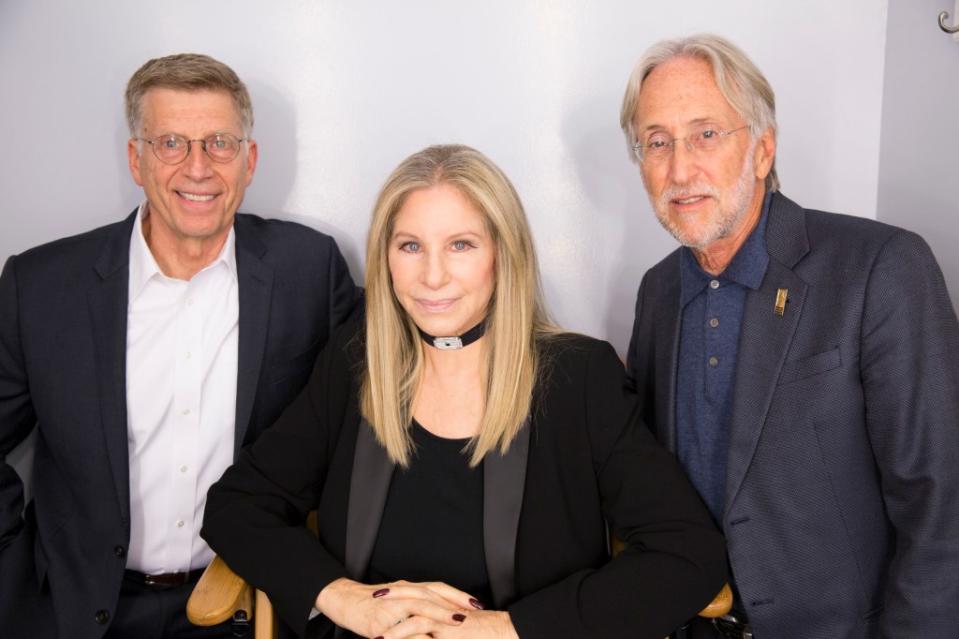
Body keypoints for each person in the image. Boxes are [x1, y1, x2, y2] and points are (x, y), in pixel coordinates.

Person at [201, 144, 727, 639]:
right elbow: (238, 505)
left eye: (461, 245)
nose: (432, 276)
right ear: (385, 259)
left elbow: (689, 554)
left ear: (504, 254)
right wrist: (342, 598)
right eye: (410, 246)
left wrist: (506, 629)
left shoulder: (579, 378)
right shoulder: (355, 364)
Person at [0, 53, 359, 639]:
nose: (198, 168)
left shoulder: (308, 270)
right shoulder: (41, 288)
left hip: (246, 605)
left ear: (250, 161)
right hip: (79, 611)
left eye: (220, 143)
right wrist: (13, 573)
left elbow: (390, 376)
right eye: (171, 143)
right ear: (136, 160)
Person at [619, 33, 959, 639]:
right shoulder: (658, 292)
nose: (679, 168)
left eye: (705, 134)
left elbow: (941, 503)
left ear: (762, 149)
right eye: (657, 142)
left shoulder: (881, 266)